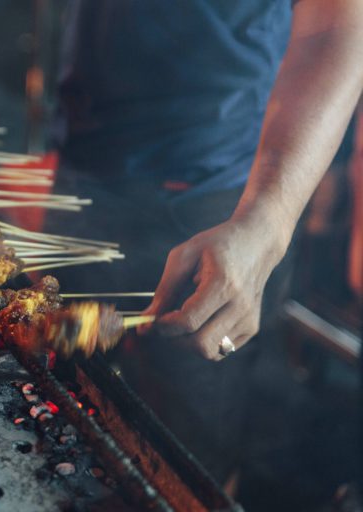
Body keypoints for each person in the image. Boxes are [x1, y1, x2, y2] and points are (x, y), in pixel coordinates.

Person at [49, 0, 363, 487]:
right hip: (81, 161)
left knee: (185, 455)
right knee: (52, 398)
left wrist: (268, 221)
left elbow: (336, 28)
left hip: (217, 197)